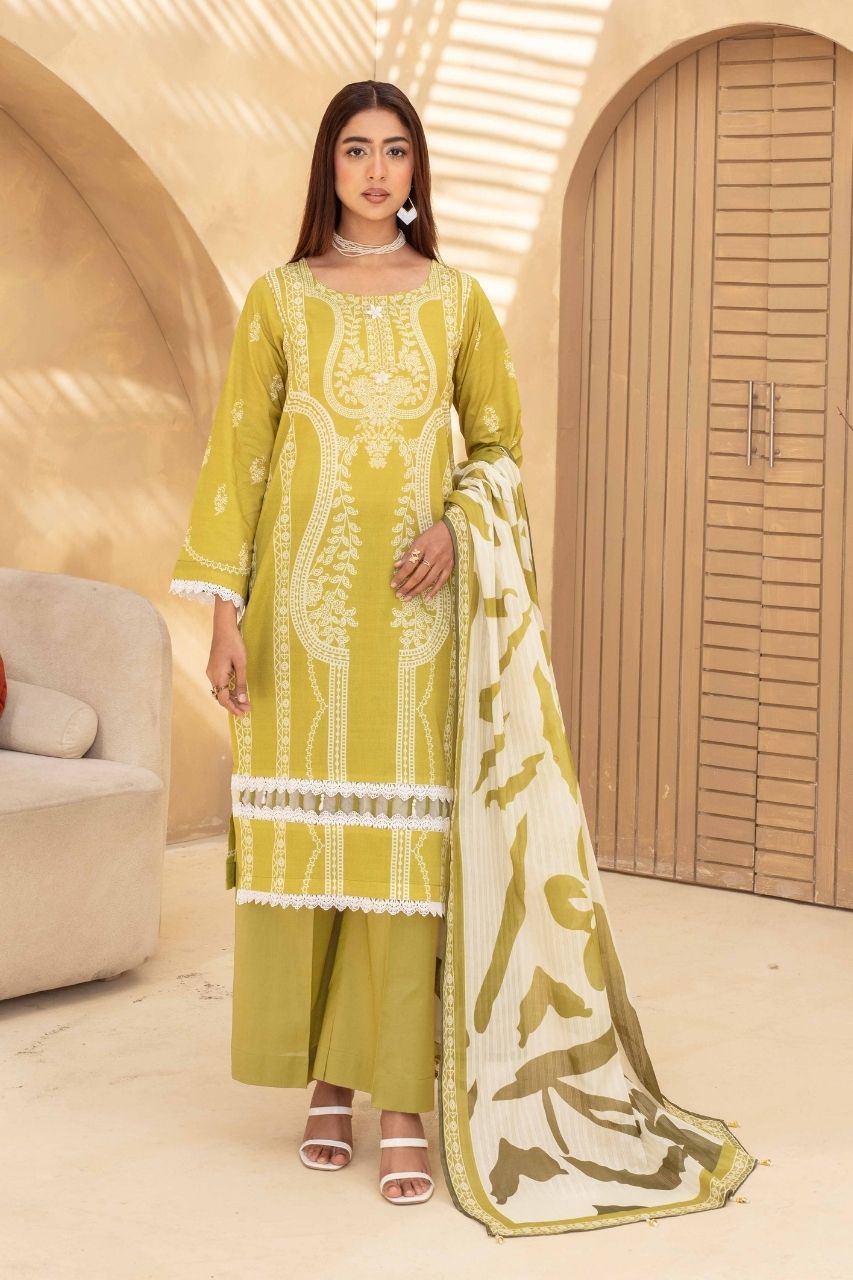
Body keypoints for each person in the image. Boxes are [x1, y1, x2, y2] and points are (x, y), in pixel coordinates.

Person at [170, 79, 759, 1234]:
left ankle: (398, 1096)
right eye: (355, 150)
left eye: (394, 150)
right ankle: (324, 1079)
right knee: (312, 856)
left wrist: (457, 523)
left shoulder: (455, 300)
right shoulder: (279, 299)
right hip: (299, 620)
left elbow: (497, 445)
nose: (374, 170)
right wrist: (224, 615)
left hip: (419, 619)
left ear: (417, 169)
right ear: (328, 167)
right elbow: (237, 458)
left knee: (405, 861)